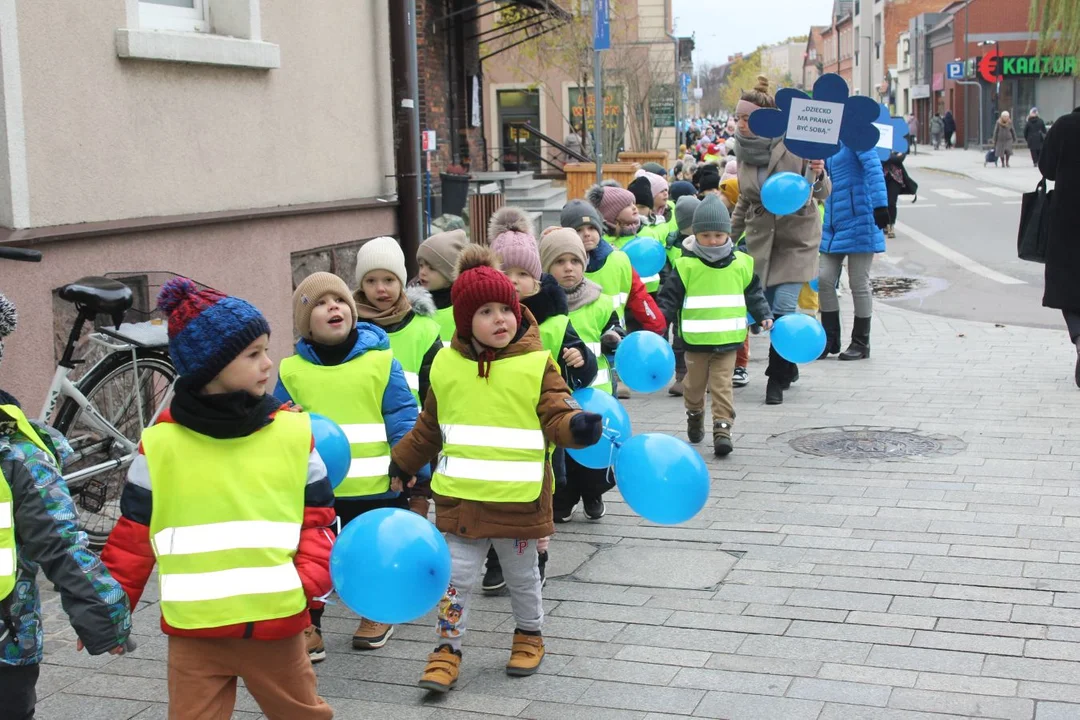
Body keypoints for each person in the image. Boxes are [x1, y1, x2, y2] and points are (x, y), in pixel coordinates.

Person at [101, 279, 335, 719]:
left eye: (266, 350)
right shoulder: (161, 445)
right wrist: (109, 610)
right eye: (253, 354)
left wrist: (309, 580)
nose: (268, 364)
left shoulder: (293, 433)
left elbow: (318, 519)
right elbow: (131, 536)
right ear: (209, 366)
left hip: (277, 624)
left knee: (303, 714)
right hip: (195, 632)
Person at [387, 245, 603, 692]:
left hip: (518, 502)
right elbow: (431, 424)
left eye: (506, 308)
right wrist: (403, 460)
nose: (501, 318)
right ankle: (447, 648)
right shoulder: (446, 364)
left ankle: (530, 634)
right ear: (466, 321)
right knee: (456, 581)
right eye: (486, 311)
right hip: (460, 500)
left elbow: (556, 412)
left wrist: (577, 427)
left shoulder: (535, 363)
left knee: (524, 579)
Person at [0, 295, 132, 720]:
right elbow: (59, 542)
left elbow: (59, 542)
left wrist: (102, 614)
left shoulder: (17, 455)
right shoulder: (19, 455)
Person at [274, 271, 420, 654]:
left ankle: (376, 610)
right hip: (317, 489)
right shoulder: (291, 371)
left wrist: (408, 465)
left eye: (338, 300)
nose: (332, 307)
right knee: (313, 556)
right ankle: (310, 625)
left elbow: (403, 415)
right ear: (306, 323)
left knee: (372, 552)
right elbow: (274, 421)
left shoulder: (380, 361)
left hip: (378, 488)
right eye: (319, 304)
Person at [483, 209, 597, 591]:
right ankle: (496, 561)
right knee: (492, 494)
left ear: (537, 279)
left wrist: (581, 361)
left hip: (542, 432)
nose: (514, 283)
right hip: (493, 426)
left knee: (539, 498)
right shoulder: (483, 326)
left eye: (523, 276)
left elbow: (584, 372)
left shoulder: (556, 323)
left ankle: (537, 556)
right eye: (505, 274)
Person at [731, 75, 831, 405]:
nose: (741, 124)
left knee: (785, 309)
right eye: (737, 118)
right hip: (761, 243)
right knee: (767, 312)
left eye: (747, 118)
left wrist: (818, 173)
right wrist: (727, 242)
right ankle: (788, 365)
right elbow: (745, 200)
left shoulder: (796, 143)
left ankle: (775, 378)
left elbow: (821, 194)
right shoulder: (743, 151)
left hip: (796, 239)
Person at [658, 195, 772, 456]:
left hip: (729, 340)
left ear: (728, 234)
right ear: (695, 235)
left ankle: (723, 428)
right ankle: (695, 413)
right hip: (696, 343)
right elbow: (669, 298)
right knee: (694, 386)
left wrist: (763, 313)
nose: (712, 241)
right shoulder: (686, 265)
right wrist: (659, 323)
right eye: (706, 235)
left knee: (722, 385)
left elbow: (753, 292)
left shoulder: (741, 262)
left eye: (718, 235)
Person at [352, 237, 443, 519]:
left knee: (414, 505)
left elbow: (435, 384)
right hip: (371, 433)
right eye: (371, 281)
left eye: (389, 280)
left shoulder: (424, 329)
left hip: (416, 434)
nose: (381, 288)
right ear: (360, 285)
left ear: (402, 282)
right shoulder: (350, 329)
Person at [541, 226, 623, 522]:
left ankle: (593, 493)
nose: (568, 268)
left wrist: (613, 337)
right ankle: (562, 499)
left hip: (596, 396)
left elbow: (616, 329)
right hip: (557, 396)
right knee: (561, 452)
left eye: (574, 261)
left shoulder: (600, 301)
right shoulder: (543, 307)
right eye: (559, 262)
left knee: (592, 451)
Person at [819, 144, 890, 361]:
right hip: (832, 222)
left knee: (858, 281)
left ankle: (861, 342)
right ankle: (829, 339)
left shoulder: (856, 135)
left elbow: (874, 168)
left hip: (860, 218)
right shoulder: (826, 136)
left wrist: (880, 206)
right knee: (823, 278)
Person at [1038, 106, 1080, 386]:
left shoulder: (1064, 125)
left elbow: (1046, 168)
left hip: (1068, 216)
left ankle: (1079, 335)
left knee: (1067, 285)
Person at [665, 195, 699, 396]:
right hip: (679, 302)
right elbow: (665, 269)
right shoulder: (671, 244)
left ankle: (706, 377)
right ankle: (681, 375)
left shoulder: (705, 243)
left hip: (700, 303)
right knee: (679, 340)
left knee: (702, 345)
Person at [416, 229, 469, 345]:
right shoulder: (412, 305)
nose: (423, 272)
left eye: (432, 268)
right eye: (421, 265)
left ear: (449, 274)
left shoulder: (463, 307)